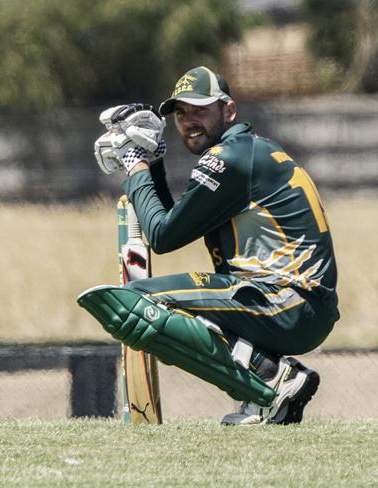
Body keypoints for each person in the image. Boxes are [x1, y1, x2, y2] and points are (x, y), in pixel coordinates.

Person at [81, 66, 339, 425]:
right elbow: (174, 222)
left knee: (136, 303)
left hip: (286, 302)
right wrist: (153, 160)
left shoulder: (229, 160)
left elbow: (162, 234)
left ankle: (267, 381)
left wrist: (135, 164)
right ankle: (268, 397)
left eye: (200, 110)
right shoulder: (244, 152)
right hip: (295, 303)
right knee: (162, 300)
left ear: (228, 110)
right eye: (181, 114)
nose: (189, 121)